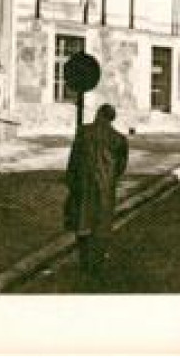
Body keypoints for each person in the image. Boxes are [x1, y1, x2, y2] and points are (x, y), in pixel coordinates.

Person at [64, 103, 129, 275]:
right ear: (112, 119)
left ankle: (84, 260)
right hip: (105, 188)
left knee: (82, 223)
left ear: (98, 114)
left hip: (82, 186)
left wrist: (71, 181)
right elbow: (121, 167)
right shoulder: (119, 139)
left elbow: (73, 159)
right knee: (102, 225)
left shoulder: (83, 132)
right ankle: (97, 261)